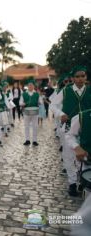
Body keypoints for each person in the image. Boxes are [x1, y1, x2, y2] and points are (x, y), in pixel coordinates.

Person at [50, 65, 91, 196]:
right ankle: (72, 183)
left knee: (84, 154)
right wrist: (60, 114)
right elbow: (53, 105)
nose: (80, 79)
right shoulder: (66, 91)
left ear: (86, 77)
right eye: (77, 76)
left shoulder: (89, 90)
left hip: (86, 127)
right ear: (73, 78)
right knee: (68, 155)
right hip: (68, 127)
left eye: (83, 76)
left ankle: (83, 181)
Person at [19, 77, 43, 146]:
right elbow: (20, 103)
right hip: (26, 111)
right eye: (29, 85)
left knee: (35, 126)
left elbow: (41, 102)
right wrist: (23, 104)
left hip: (35, 111)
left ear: (34, 86)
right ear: (27, 86)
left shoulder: (37, 94)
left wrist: (38, 102)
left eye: (32, 85)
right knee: (26, 126)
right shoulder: (24, 94)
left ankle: (35, 140)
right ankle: (27, 140)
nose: (30, 86)